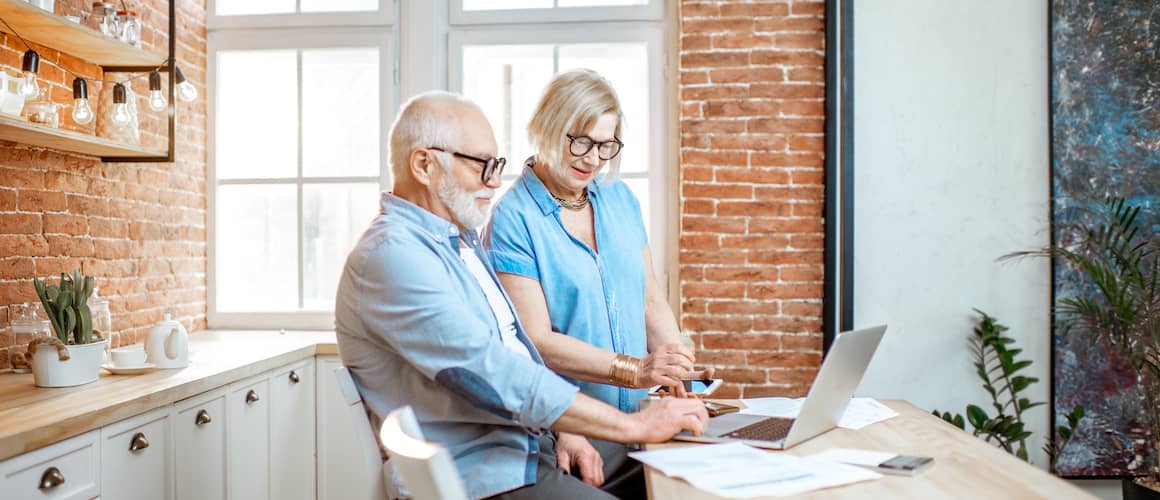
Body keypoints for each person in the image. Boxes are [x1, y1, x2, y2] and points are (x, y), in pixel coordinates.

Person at [335, 90, 708, 500]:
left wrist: (565, 424)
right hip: (487, 475)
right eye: (482, 166)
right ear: (424, 164)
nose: (495, 181)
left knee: (690, 484)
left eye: (496, 166)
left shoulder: (457, 242)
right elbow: (492, 372)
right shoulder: (395, 257)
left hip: (528, 451)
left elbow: (515, 352)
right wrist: (634, 425)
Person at [482, 69, 713, 490]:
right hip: (578, 434)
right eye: (581, 141)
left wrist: (681, 378)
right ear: (546, 128)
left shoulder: (620, 200)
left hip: (647, 421)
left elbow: (650, 305)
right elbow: (536, 341)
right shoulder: (514, 218)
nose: (593, 159)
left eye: (606, 145)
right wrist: (636, 370)